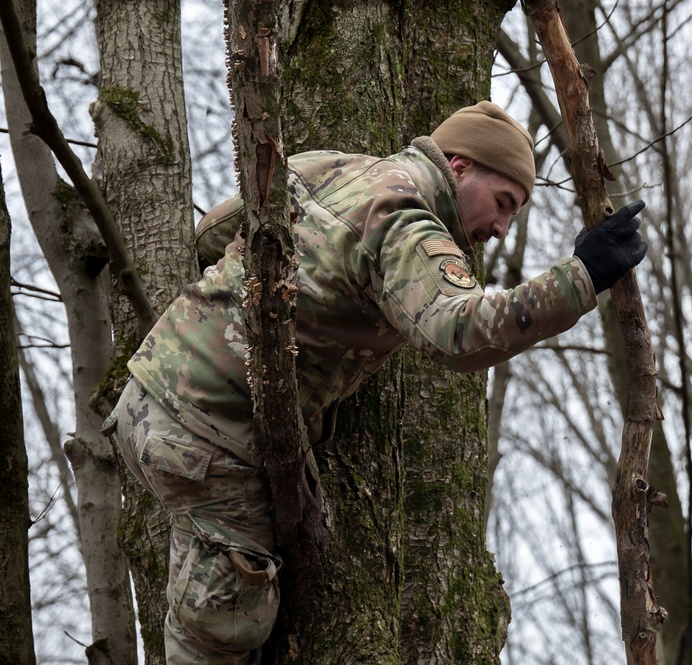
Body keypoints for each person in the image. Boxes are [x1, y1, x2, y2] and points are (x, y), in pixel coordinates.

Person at [102, 101, 647, 664]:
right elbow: (458, 332)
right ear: (459, 168)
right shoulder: (407, 221)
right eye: (503, 203)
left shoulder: (331, 168)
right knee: (223, 634)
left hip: (145, 402)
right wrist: (583, 275)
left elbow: (214, 233)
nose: (501, 229)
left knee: (209, 612)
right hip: (211, 441)